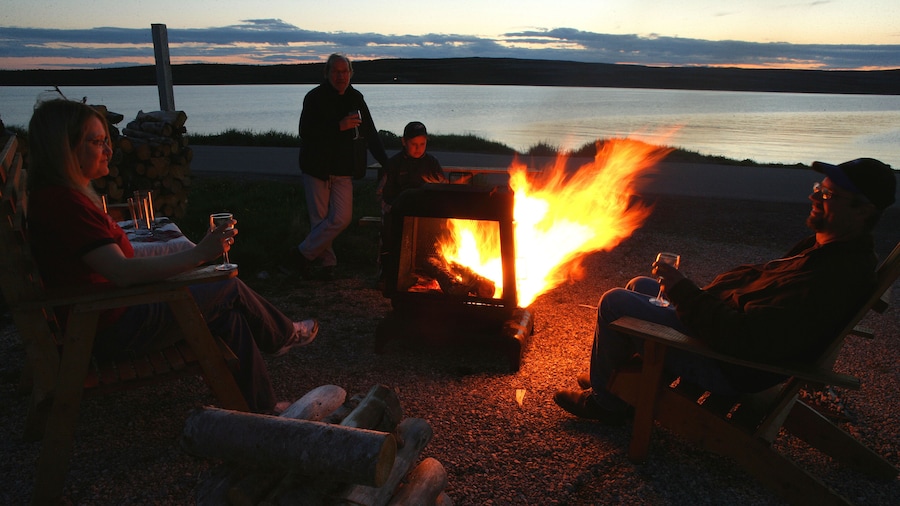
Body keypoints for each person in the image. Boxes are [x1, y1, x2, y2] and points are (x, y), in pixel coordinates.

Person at [26, 98, 319, 414]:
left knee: (228, 314)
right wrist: (199, 254)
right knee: (227, 287)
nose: (109, 150)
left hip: (107, 317)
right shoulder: (67, 207)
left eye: (106, 141)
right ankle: (283, 334)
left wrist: (194, 256)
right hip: (110, 329)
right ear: (64, 150)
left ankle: (262, 408)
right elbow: (122, 272)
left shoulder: (60, 199)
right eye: (97, 142)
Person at [554, 157, 897, 424]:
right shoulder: (829, 250)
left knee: (615, 302)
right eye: (817, 188)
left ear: (863, 210)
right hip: (725, 338)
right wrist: (692, 294)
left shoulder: (833, 276)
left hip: (729, 364)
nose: (814, 196)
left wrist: (688, 294)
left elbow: (748, 337)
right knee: (641, 286)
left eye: (828, 195)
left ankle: (608, 403)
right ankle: (621, 380)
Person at [292, 53, 388, 280]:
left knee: (341, 218)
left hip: (344, 170)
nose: (340, 76)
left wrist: (387, 163)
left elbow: (371, 133)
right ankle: (328, 264)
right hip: (317, 168)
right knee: (320, 220)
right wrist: (339, 126)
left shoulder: (356, 98)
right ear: (327, 73)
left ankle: (302, 254)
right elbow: (306, 132)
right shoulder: (314, 97)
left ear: (351, 74)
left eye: (345, 71)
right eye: (336, 71)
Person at [375, 121, 447, 279]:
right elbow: (381, 193)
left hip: (426, 214)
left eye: (422, 144)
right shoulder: (393, 164)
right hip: (399, 213)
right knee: (389, 231)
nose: (418, 148)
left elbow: (443, 188)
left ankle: (429, 270)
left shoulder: (431, 163)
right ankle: (388, 272)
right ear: (404, 142)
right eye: (414, 144)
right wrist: (390, 208)